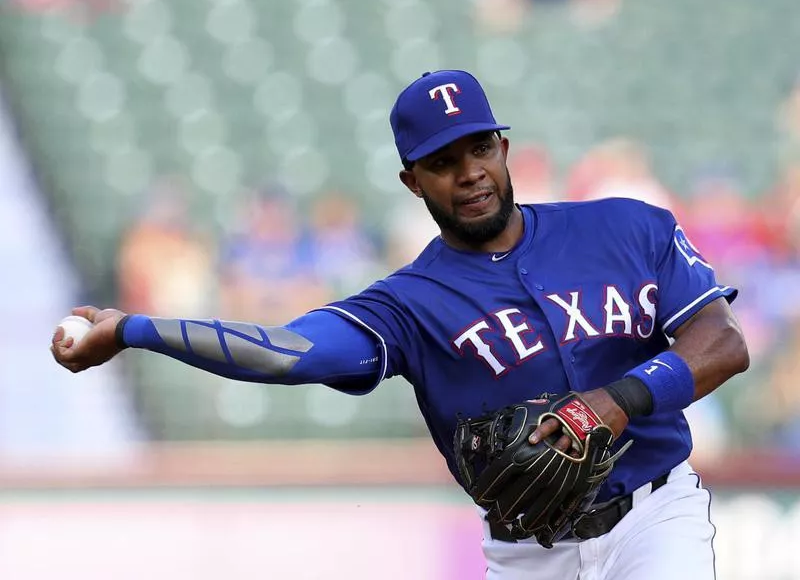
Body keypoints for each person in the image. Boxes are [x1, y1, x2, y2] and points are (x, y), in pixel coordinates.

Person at [51, 69, 749, 580]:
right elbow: (287, 353)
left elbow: (722, 343)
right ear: (412, 181)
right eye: (443, 162)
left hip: (655, 518)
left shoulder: (624, 227)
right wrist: (133, 329)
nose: (469, 173)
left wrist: (616, 401)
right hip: (530, 554)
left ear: (504, 148)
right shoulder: (408, 304)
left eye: (479, 149)